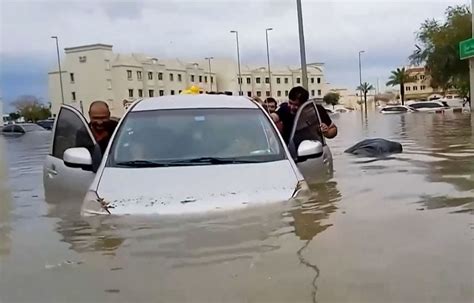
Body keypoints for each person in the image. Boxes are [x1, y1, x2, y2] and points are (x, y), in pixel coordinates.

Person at [271, 86, 337, 143]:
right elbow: (274, 117)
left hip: (312, 150)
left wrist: (326, 132)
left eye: (296, 105)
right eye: (290, 103)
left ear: (305, 104)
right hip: (289, 151)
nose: (292, 107)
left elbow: (333, 129)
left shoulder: (316, 110)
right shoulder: (285, 108)